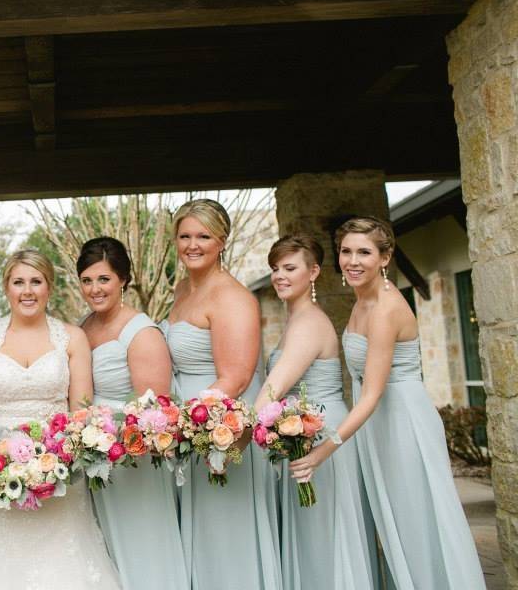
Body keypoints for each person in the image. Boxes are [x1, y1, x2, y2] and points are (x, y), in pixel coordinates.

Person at [288, 217, 485, 589]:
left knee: (416, 520)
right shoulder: (362, 301)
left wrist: (321, 452)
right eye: (346, 251)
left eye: (364, 252)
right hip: (375, 422)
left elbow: (373, 393)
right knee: (390, 521)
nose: (353, 260)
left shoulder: (385, 310)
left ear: (385, 256)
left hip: (401, 421)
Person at [0, 250, 121, 589]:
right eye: (19, 282)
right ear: (6, 288)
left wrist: (52, 456)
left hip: (59, 466)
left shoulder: (72, 337)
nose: (27, 291)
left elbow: (81, 409)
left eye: (36, 281)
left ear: (49, 287)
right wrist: (1, 455)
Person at [162, 199, 281, 589]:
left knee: (225, 531)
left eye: (203, 236)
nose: (192, 245)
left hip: (220, 431)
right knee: (198, 530)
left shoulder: (232, 297)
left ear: (222, 241)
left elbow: (237, 377)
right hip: (188, 427)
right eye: (185, 236)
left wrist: (189, 421)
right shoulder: (182, 289)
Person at [254, 235, 377, 589]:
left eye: (289, 268)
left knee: (323, 534)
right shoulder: (297, 319)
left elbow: (273, 390)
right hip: (301, 433)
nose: (279, 276)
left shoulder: (308, 323)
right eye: (275, 268)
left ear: (313, 272)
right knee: (312, 533)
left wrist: (230, 427)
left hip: (320, 436)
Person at [76, 236, 188, 590]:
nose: (95, 289)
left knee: (141, 546)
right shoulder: (83, 326)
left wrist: (113, 439)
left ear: (123, 279)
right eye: (87, 280)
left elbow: (154, 413)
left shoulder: (142, 333)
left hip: (134, 460)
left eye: (104, 279)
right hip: (92, 457)